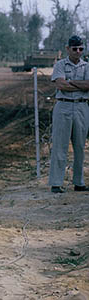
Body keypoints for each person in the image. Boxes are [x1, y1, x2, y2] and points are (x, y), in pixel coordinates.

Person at [48, 35, 89, 193]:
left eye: (81, 49)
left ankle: (79, 183)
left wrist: (70, 81)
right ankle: (56, 183)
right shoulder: (60, 65)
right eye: (75, 49)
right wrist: (80, 85)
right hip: (63, 106)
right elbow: (60, 85)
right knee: (60, 145)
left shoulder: (86, 66)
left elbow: (88, 85)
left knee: (80, 147)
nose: (78, 52)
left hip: (82, 107)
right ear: (68, 49)